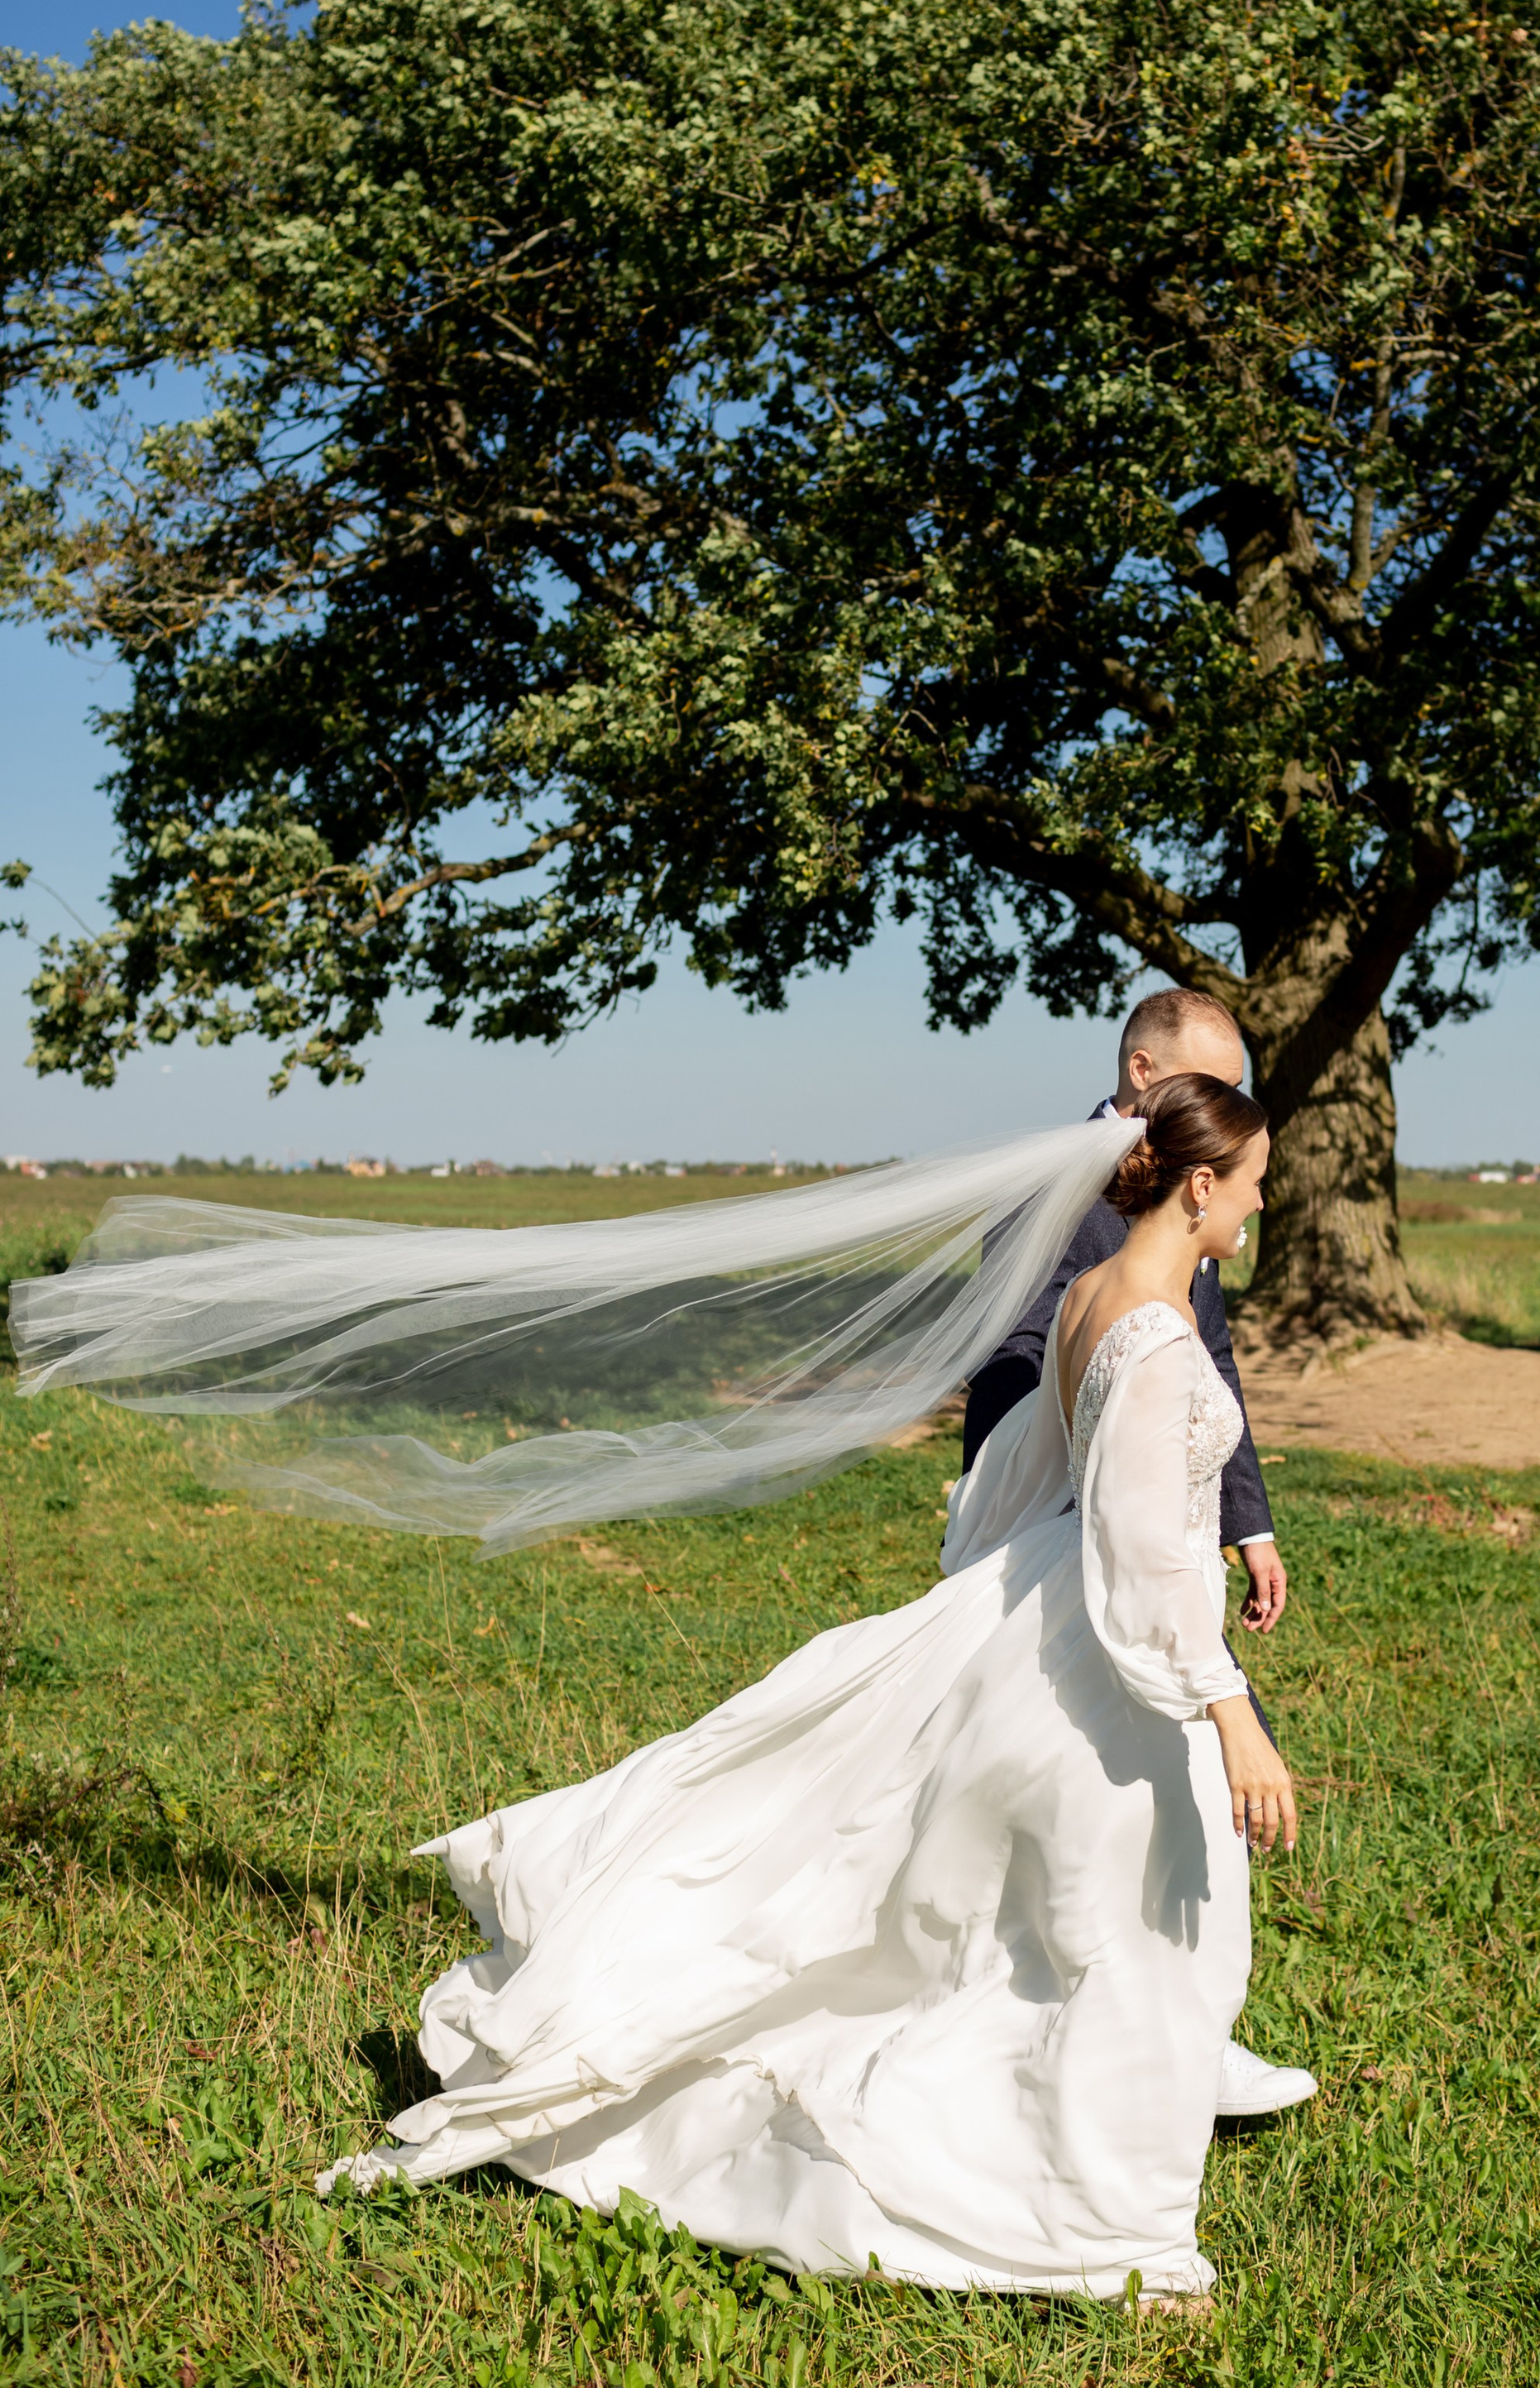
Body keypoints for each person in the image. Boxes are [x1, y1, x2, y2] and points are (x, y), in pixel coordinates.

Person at [318, 1075, 1305, 2304]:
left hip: (1042, 1608)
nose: (1261, 1205)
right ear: (1202, 1184)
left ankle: (1075, 2171)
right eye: (1255, 1182)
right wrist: (1231, 1718)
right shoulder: (1156, 1338)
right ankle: (1107, 2221)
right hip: (1110, 1655)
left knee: (1044, 1925)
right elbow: (1148, 1555)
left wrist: (980, 1607)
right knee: (1156, 1930)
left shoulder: (1089, 1302)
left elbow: (1017, 1480)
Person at [963, 985, 1314, 2123]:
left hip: (1151, 1539)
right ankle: (1156, 2050)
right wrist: (1022, 1547)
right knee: (1141, 1799)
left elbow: (1205, 1368)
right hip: (1087, 1553)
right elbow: (1024, 1379)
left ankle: (1164, 2032)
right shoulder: (1062, 1201)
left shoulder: (1179, 1208)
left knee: (1132, 1810)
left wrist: (1242, 1521)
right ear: (1150, 1080)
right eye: (1211, 1089)